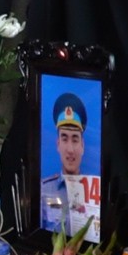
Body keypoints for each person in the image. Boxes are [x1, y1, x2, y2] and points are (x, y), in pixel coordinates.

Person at [40, 92, 86, 231]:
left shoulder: (94, 194)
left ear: (82, 146)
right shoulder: (43, 190)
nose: (70, 149)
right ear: (58, 144)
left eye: (75, 140)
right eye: (65, 139)